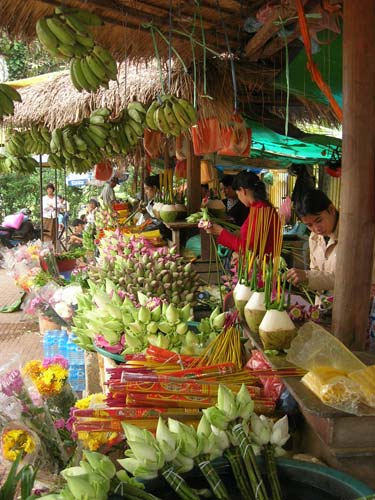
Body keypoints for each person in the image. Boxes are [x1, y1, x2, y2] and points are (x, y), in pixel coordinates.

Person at [205, 171, 280, 256]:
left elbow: (248, 248)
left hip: (262, 265)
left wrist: (220, 232)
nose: (239, 197)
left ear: (243, 191)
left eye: (237, 193)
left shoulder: (261, 210)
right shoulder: (259, 207)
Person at [286, 189, 339, 300]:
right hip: (323, 305)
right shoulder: (314, 237)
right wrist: (304, 281)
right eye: (309, 225)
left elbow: (347, 279)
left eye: (319, 220)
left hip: (348, 305)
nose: (316, 228)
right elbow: (315, 271)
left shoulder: (351, 237)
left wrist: (308, 277)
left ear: (331, 210)